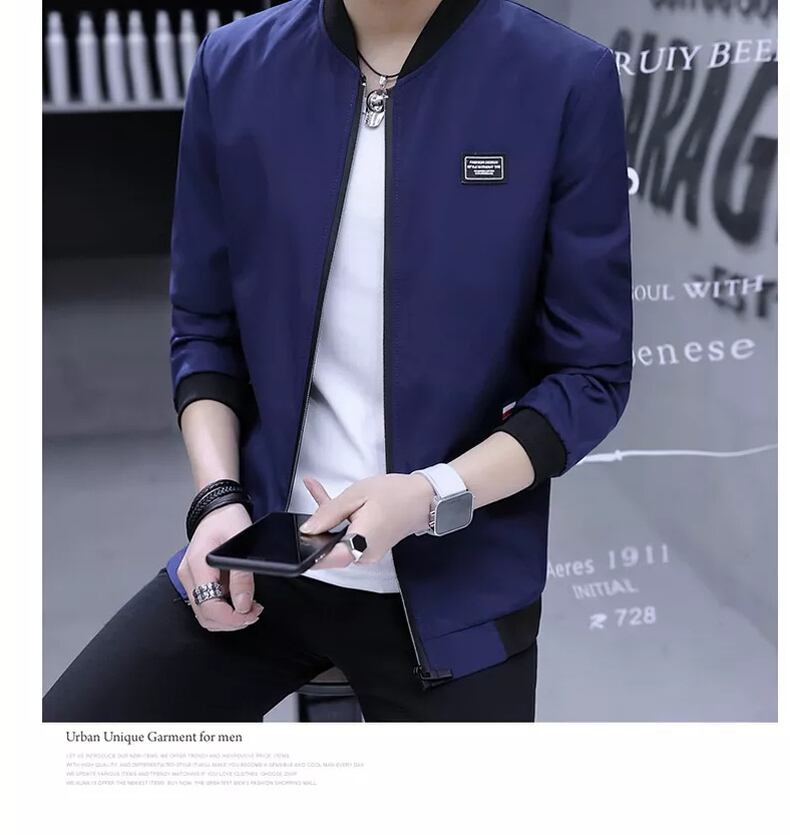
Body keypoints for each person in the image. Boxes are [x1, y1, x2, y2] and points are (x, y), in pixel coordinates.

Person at [42, 0, 633, 722]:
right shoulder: (235, 65)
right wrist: (217, 502)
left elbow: (590, 375)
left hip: (455, 595)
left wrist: (431, 493)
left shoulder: (560, 77)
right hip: (262, 558)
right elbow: (204, 326)